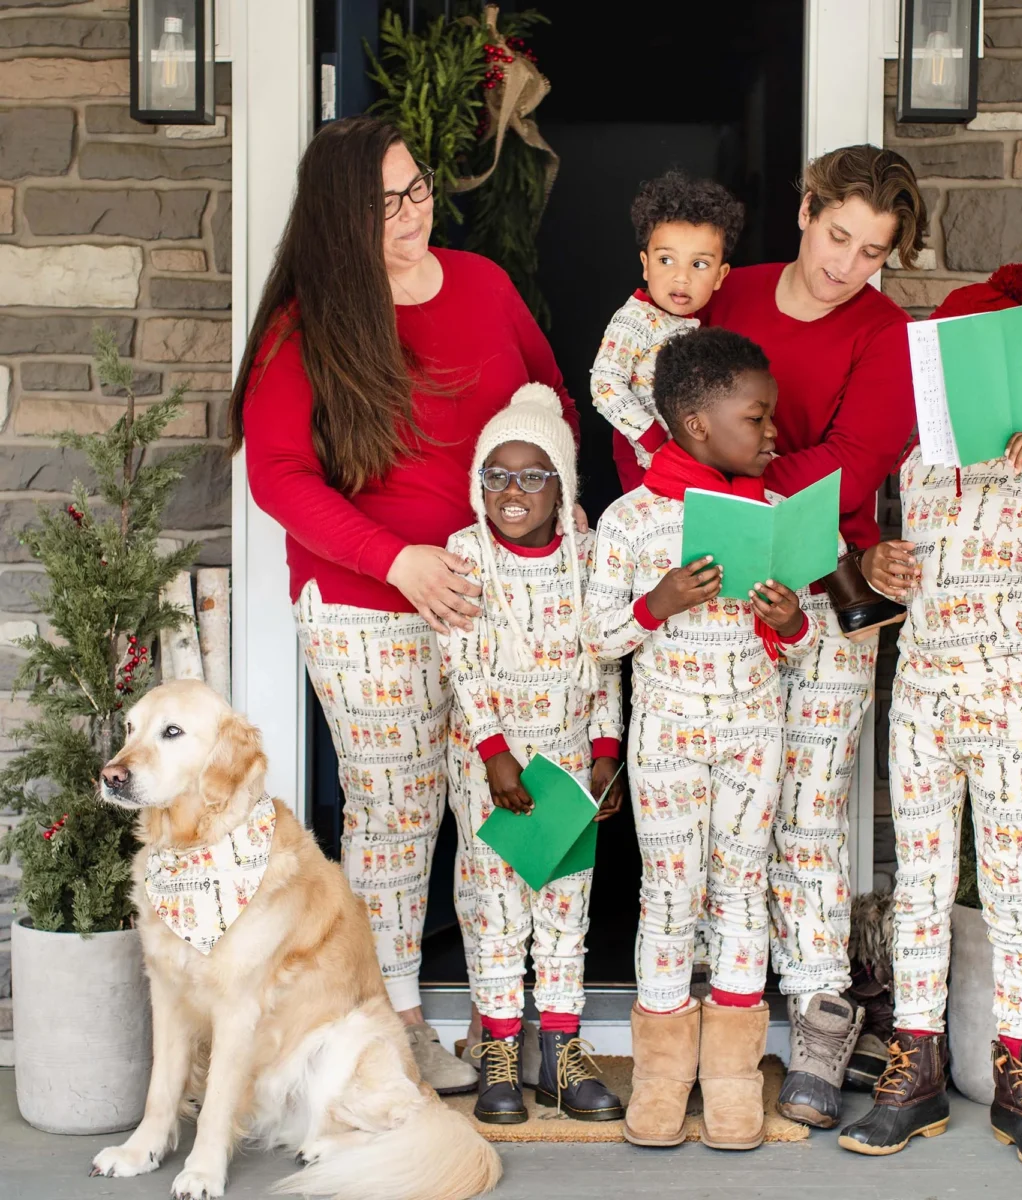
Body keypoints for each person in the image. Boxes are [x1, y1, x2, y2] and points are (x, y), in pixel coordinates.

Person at [229, 115, 578, 1094]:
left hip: (497, 605)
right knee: (396, 813)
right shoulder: (312, 321)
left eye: (417, 189)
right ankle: (392, 1022)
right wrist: (400, 562)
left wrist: (546, 529)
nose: (411, 213)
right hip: (366, 608)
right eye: (384, 202)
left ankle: (505, 1019)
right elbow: (283, 479)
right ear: (340, 216)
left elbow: (550, 401)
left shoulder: (483, 285)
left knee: (501, 808)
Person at [838, 265, 1022, 1169]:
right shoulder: (920, 458)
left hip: (1006, 703)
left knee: (1013, 896)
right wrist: (876, 560)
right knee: (918, 885)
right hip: (920, 698)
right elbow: (882, 561)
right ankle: (913, 1074)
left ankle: (1020, 1079)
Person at [703, 143, 929, 1128]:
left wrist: (736, 471)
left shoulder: (885, 331)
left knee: (812, 813)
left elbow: (857, 459)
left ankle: (822, 1018)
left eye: (870, 252)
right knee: (726, 808)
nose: (846, 266)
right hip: (723, 582)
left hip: (836, 592)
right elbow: (660, 411)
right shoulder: (728, 293)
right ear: (804, 211)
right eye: (838, 235)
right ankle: (720, 1013)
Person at [582, 328, 819, 1152]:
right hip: (668, 742)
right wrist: (660, 602)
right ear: (693, 423)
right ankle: (659, 1074)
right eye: (756, 419)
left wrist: (790, 620)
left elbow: (806, 641)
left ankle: (729, 1075)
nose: (771, 434)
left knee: (741, 891)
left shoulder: (780, 515)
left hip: (754, 733)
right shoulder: (632, 521)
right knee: (670, 898)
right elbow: (599, 637)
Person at [438, 382, 626, 1125]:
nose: (512, 491)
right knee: (497, 912)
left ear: (563, 487)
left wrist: (604, 754)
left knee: (564, 911)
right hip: (494, 766)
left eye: (532, 476)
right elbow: (463, 661)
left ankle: (561, 1052)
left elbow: (604, 659)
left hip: (566, 766)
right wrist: (492, 755)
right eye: (496, 475)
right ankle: (499, 1056)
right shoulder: (466, 552)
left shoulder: (587, 556)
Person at [593, 170, 744, 492]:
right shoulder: (634, 319)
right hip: (647, 460)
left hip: (686, 458)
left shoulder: (694, 327)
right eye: (666, 260)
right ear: (645, 264)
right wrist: (653, 439)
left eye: (699, 264)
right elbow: (604, 384)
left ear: (720, 275)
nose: (681, 278)